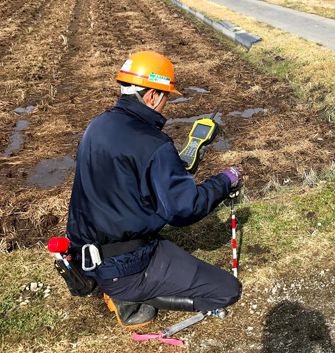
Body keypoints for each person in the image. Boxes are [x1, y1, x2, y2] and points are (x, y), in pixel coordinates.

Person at [66, 51, 242, 328]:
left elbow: (133, 174)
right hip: (124, 268)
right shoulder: (153, 143)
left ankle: (117, 289)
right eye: (166, 96)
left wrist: (179, 160)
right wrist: (224, 181)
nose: (165, 104)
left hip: (84, 255)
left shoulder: (98, 125)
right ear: (151, 95)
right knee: (227, 290)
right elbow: (185, 210)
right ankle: (129, 296)